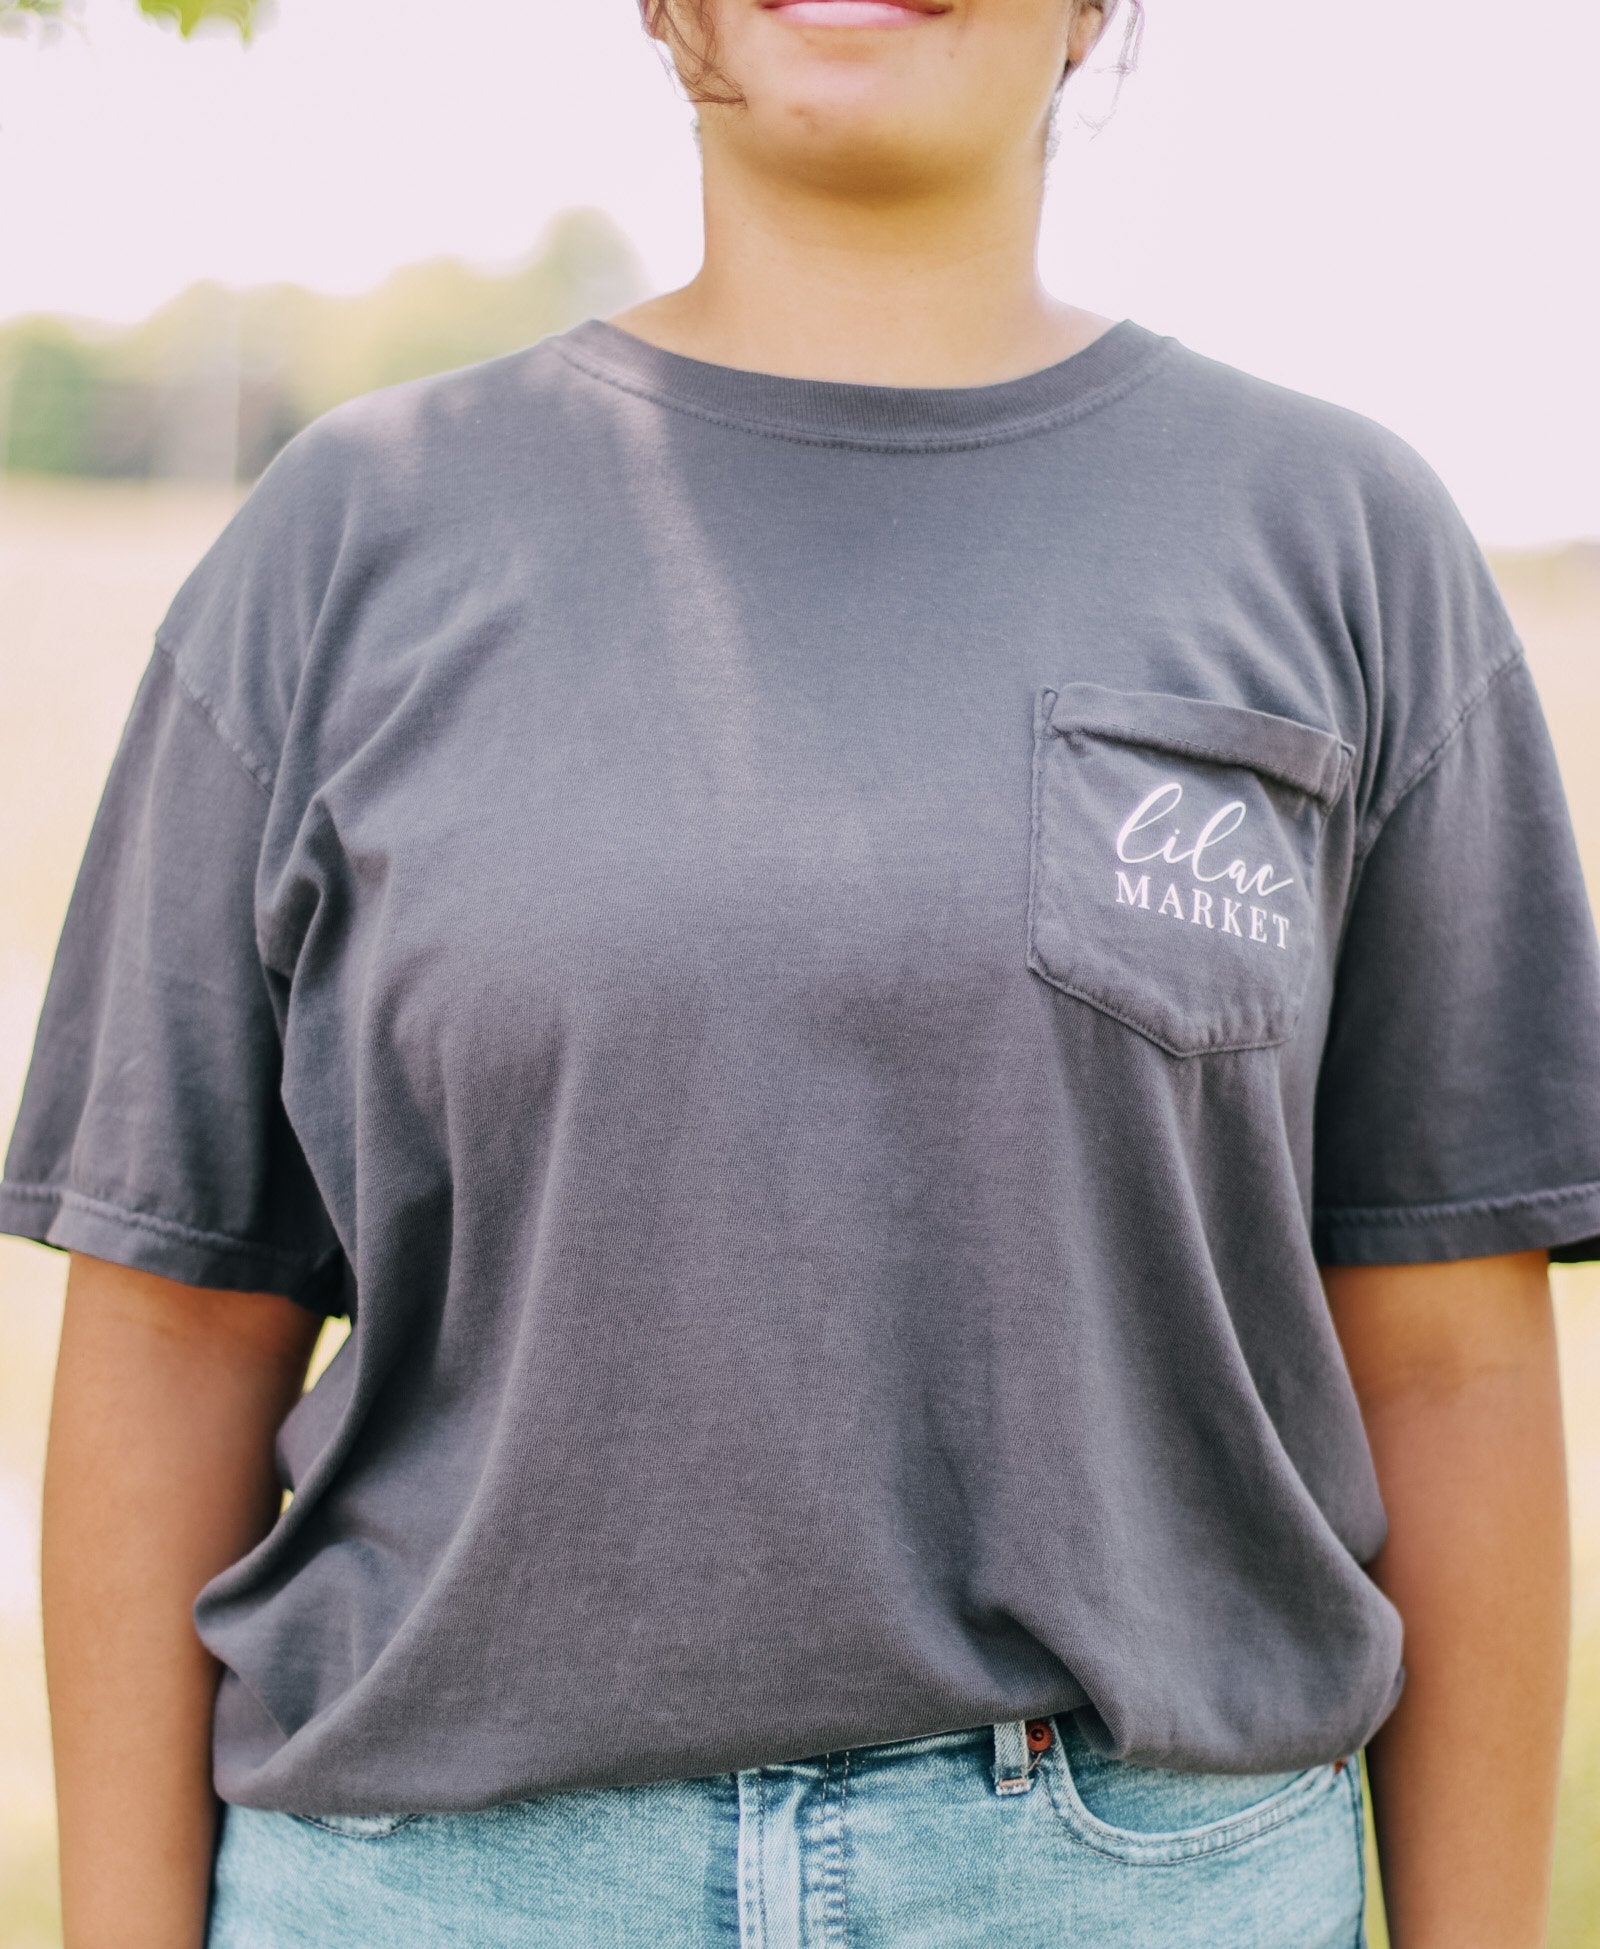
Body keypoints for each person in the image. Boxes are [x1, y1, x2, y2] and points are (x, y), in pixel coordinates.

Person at [4, 0, 1598, 1943]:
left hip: (1130, 1886)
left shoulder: (1341, 549)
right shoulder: (345, 546)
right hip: (436, 1884)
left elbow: (1443, 1365)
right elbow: (171, 1332)